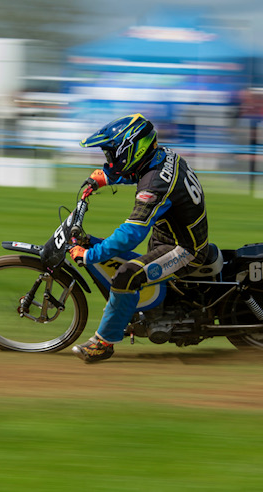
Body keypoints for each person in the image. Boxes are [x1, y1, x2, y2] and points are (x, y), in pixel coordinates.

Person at [70, 113, 210, 363]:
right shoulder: (163, 155)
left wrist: (90, 255)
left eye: (112, 155)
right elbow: (137, 169)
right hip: (170, 236)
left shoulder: (154, 185)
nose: (109, 161)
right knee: (123, 260)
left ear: (131, 150)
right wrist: (108, 177)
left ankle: (104, 343)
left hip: (185, 249)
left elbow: (130, 235)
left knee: (126, 276)